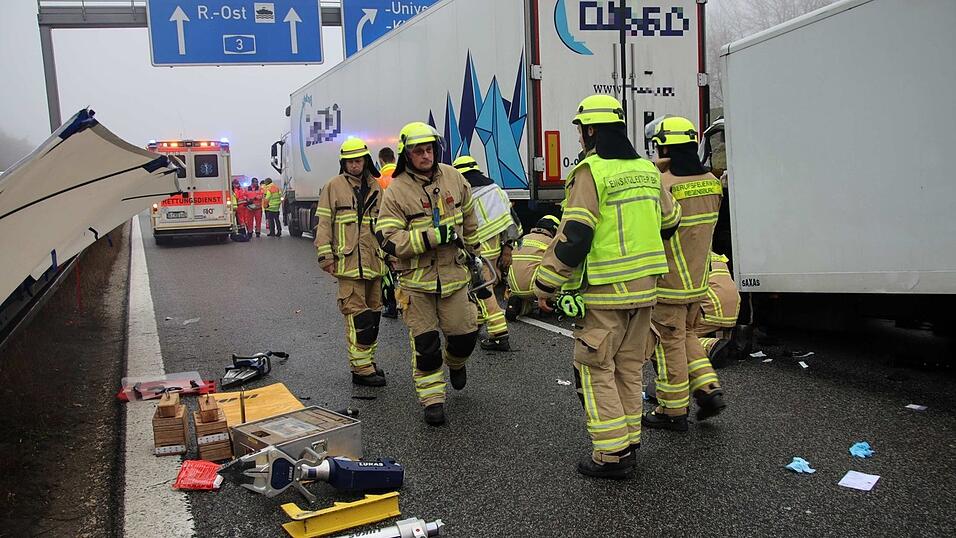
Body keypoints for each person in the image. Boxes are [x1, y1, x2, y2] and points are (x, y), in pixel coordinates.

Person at [533, 95, 681, 479]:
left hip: (606, 290)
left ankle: (612, 454)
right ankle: (629, 439)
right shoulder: (647, 169)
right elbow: (670, 221)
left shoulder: (591, 171)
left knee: (595, 368)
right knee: (629, 367)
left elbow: (576, 235)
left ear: (590, 130)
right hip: (646, 288)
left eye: (581, 130)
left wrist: (546, 281)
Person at [375, 122, 481, 426]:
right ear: (406, 155)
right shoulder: (396, 191)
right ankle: (432, 400)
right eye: (418, 151)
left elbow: (469, 217)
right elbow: (387, 238)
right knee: (426, 346)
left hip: (454, 277)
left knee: (465, 336)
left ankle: (456, 362)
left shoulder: (454, 178)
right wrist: (431, 237)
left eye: (429, 149)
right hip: (416, 283)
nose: (426, 155)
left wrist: (476, 251)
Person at [641, 115, 726, 433]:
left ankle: (672, 410)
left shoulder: (664, 185)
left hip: (669, 282)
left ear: (664, 147)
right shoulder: (712, 183)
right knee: (687, 335)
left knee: (669, 345)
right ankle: (709, 389)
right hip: (698, 280)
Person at [315, 138, 388, 386]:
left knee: (373, 317)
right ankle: (360, 369)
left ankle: (367, 361)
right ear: (343, 163)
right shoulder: (333, 187)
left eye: (358, 160)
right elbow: (324, 224)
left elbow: (385, 226)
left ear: (366, 161)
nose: (354, 165)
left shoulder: (377, 187)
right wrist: (325, 256)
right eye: (349, 161)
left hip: (374, 263)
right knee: (358, 318)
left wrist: (392, 256)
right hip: (348, 264)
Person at [451, 155, 521, 351]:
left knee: (482, 286)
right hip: (495, 245)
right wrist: (508, 247)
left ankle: (499, 333)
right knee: (485, 283)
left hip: (477, 247)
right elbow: (511, 219)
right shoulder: (495, 189)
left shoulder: (464, 193)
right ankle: (479, 319)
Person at [504, 214, 560, 320]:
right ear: (554, 230)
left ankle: (519, 305)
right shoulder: (552, 243)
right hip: (536, 289)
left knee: (526, 300)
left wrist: (508, 287)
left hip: (514, 287)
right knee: (557, 270)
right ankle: (548, 304)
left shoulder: (523, 239)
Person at [377, 147, 399, 319]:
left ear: (381, 160)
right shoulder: (404, 176)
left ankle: (391, 306)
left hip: (387, 229)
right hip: (407, 230)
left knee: (387, 271)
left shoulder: (379, 180)